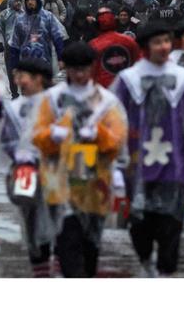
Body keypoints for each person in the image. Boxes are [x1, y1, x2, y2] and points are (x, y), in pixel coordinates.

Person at [113, 22, 184, 277]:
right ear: (145, 47)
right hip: (137, 170)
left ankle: (165, 272)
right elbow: (110, 117)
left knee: (171, 227)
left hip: (176, 166)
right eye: (157, 42)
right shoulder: (128, 80)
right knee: (140, 226)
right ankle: (147, 263)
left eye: (166, 41)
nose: (163, 47)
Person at [31, 42, 127, 277]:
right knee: (67, 240)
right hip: (60, 181)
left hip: (95, 183)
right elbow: (37, 134)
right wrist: (51, 135)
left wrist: (100, 135)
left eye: (84, 69)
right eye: (75, 70)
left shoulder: (106, 101)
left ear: (92, 68)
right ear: (67, 69)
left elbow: (117, 141)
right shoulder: (52, 99)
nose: (80, 75)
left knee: (90, 245)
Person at [0, 56, 56, 277]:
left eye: (22, 76)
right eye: (16, 76)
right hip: (25, 171)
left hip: (56, 171)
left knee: (60, 218)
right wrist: (17, 154)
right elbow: (4, 141)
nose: (18, 81)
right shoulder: (13, 109)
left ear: (38, 79)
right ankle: (39, 264)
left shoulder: (57, 102)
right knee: (29, 214)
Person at [11, 0, 66, 76]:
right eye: (28, 0)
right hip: (26, 63)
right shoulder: (20, 20)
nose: (30, 2)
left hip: (44, 61)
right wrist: (15, 66)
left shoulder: (48, 17)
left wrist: (61, 59)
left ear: (38, 1)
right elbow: (15, 44)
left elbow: (58, 38)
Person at [89, 7, 142, 88]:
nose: (123, 17)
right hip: (127, 85)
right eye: (121, 15)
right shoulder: (129, 41)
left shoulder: (93, 44)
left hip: (103, 88)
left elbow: (91, 70)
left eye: (125, 15)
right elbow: (138, 62)